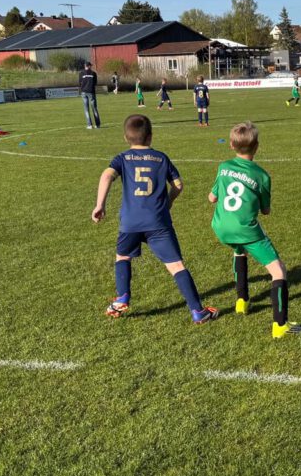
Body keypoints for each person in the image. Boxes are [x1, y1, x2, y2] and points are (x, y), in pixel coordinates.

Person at [91, 114, 218, 324]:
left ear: (126, 137)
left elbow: (106, 175)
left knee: (123, 257)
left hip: (130, 222)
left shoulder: (122, 158)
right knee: (176, 266)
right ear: (150, 136)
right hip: (158, 222)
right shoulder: (161, 158)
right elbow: (178, 185)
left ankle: (122, 297)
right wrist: (169, 202)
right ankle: (197, 311)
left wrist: (100, 205)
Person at [209, 121, 301, 338]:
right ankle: (280, 325)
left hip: (221, 227)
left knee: (239, 250)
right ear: (257, 146)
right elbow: (265, 210)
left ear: (231, 145)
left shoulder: (223, 167)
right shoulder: (262, 175)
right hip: (245, 229)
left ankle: (242, 301)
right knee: (278, 271)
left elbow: (212, 198)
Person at [79, 61, 101, 129]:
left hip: (83, 92)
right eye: (90, 65)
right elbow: (95, 83)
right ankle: (97, 125)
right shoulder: (93, 73)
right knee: (94, 108)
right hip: (91, 92)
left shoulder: (81, 73)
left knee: (86, 109)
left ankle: (89, 125)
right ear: (88, 66)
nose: (91, 66)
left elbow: (80, 82)